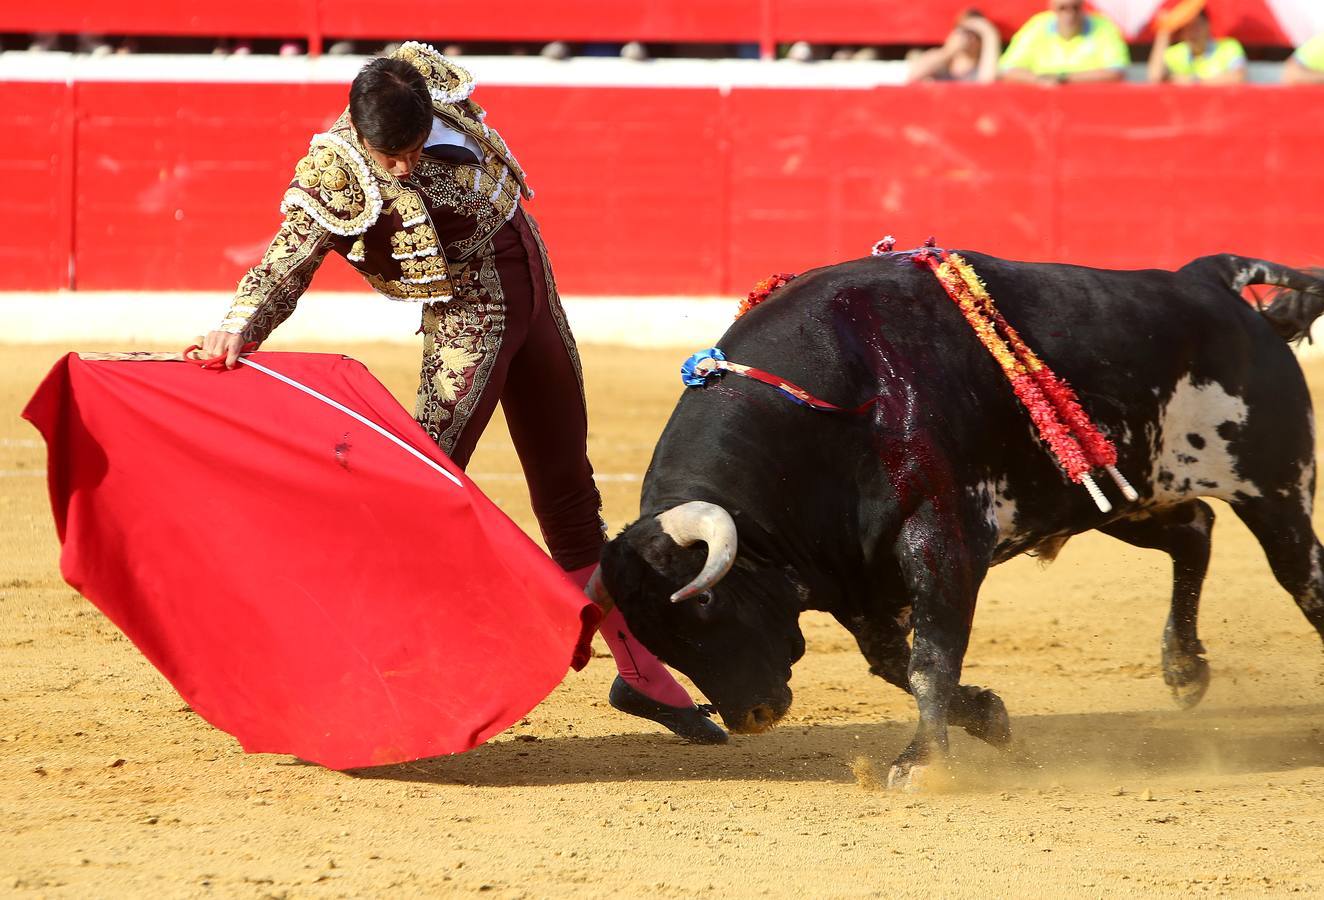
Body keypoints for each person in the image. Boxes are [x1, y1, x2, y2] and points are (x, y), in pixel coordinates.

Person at [200, 43, 726, 744]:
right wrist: (239, 325)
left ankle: (640, 677)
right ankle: (350, 674)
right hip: (469, 327)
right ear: (361, 136)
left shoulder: (430, 88)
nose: (404, 167)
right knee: (414, 501)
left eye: (413, 149)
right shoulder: (337, 169)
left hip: (535, 296)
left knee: (570, 494)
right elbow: (285, 257)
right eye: (390, 157)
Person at [999, 0, 1129, 84]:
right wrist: (1038, 80)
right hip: (1042, 107)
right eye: (1063, 8)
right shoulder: (1037, 26)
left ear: (1083, 7)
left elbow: (1116, 71)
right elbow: (1007, 69)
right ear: (1053, 8)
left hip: (1093, 106)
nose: (1070, 13)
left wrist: (1064, 79)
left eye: (1075, 7)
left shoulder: (1103, 26)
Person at [1147, 3, 1246, 84]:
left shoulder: (1229, 48)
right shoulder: (1175, 53)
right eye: (1187, 28)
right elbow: (1155, 77)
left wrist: (1195, 82)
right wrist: (1165, 30)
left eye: (1197, 26)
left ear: (1207, 25)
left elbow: (1238, 77)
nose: (1193, 32)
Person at [907, 9, 1002, 84]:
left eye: (975, 34)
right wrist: (948, 51)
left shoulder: (981, 70)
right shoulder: (941, 65)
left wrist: (989, 33)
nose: (969, 38)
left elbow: (987, 85)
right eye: (964, 31)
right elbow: (913, 76)